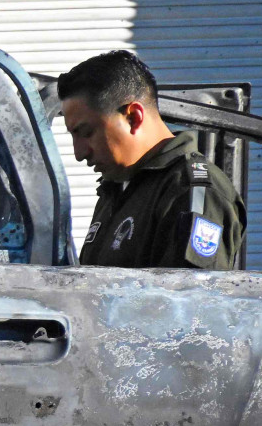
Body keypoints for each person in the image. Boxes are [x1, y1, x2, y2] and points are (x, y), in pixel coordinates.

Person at [58, 49, 245, 270]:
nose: (79, 153)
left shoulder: (190, 191)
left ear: (133, 117)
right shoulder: (117, 188)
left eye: (87, 132)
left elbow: (190, 299)